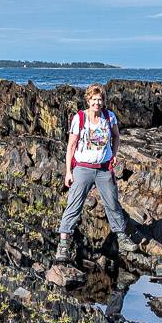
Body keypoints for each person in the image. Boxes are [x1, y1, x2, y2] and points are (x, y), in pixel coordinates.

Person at [54, 84, 138, 261]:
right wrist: (68, 172)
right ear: (88, 100)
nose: (97, 103)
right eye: (94, 99)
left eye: (100, 99)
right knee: (73, 205)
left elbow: (116, 136)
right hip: (83, 169)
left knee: (112, 203)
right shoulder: (80, 118)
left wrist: (114, 155)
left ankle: (121, 237)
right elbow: (70, 146)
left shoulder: (109, 117)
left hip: (103, 169)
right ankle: (63, 245)